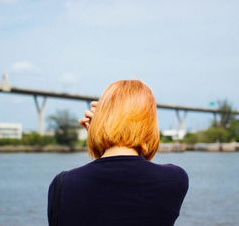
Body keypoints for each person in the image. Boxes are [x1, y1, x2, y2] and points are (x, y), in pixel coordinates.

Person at [47, 80, 188, 226]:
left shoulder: (63, 185)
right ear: (149, 125)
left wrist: (99, 135)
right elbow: (138, 172)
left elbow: (106, 170)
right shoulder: (175, 179)